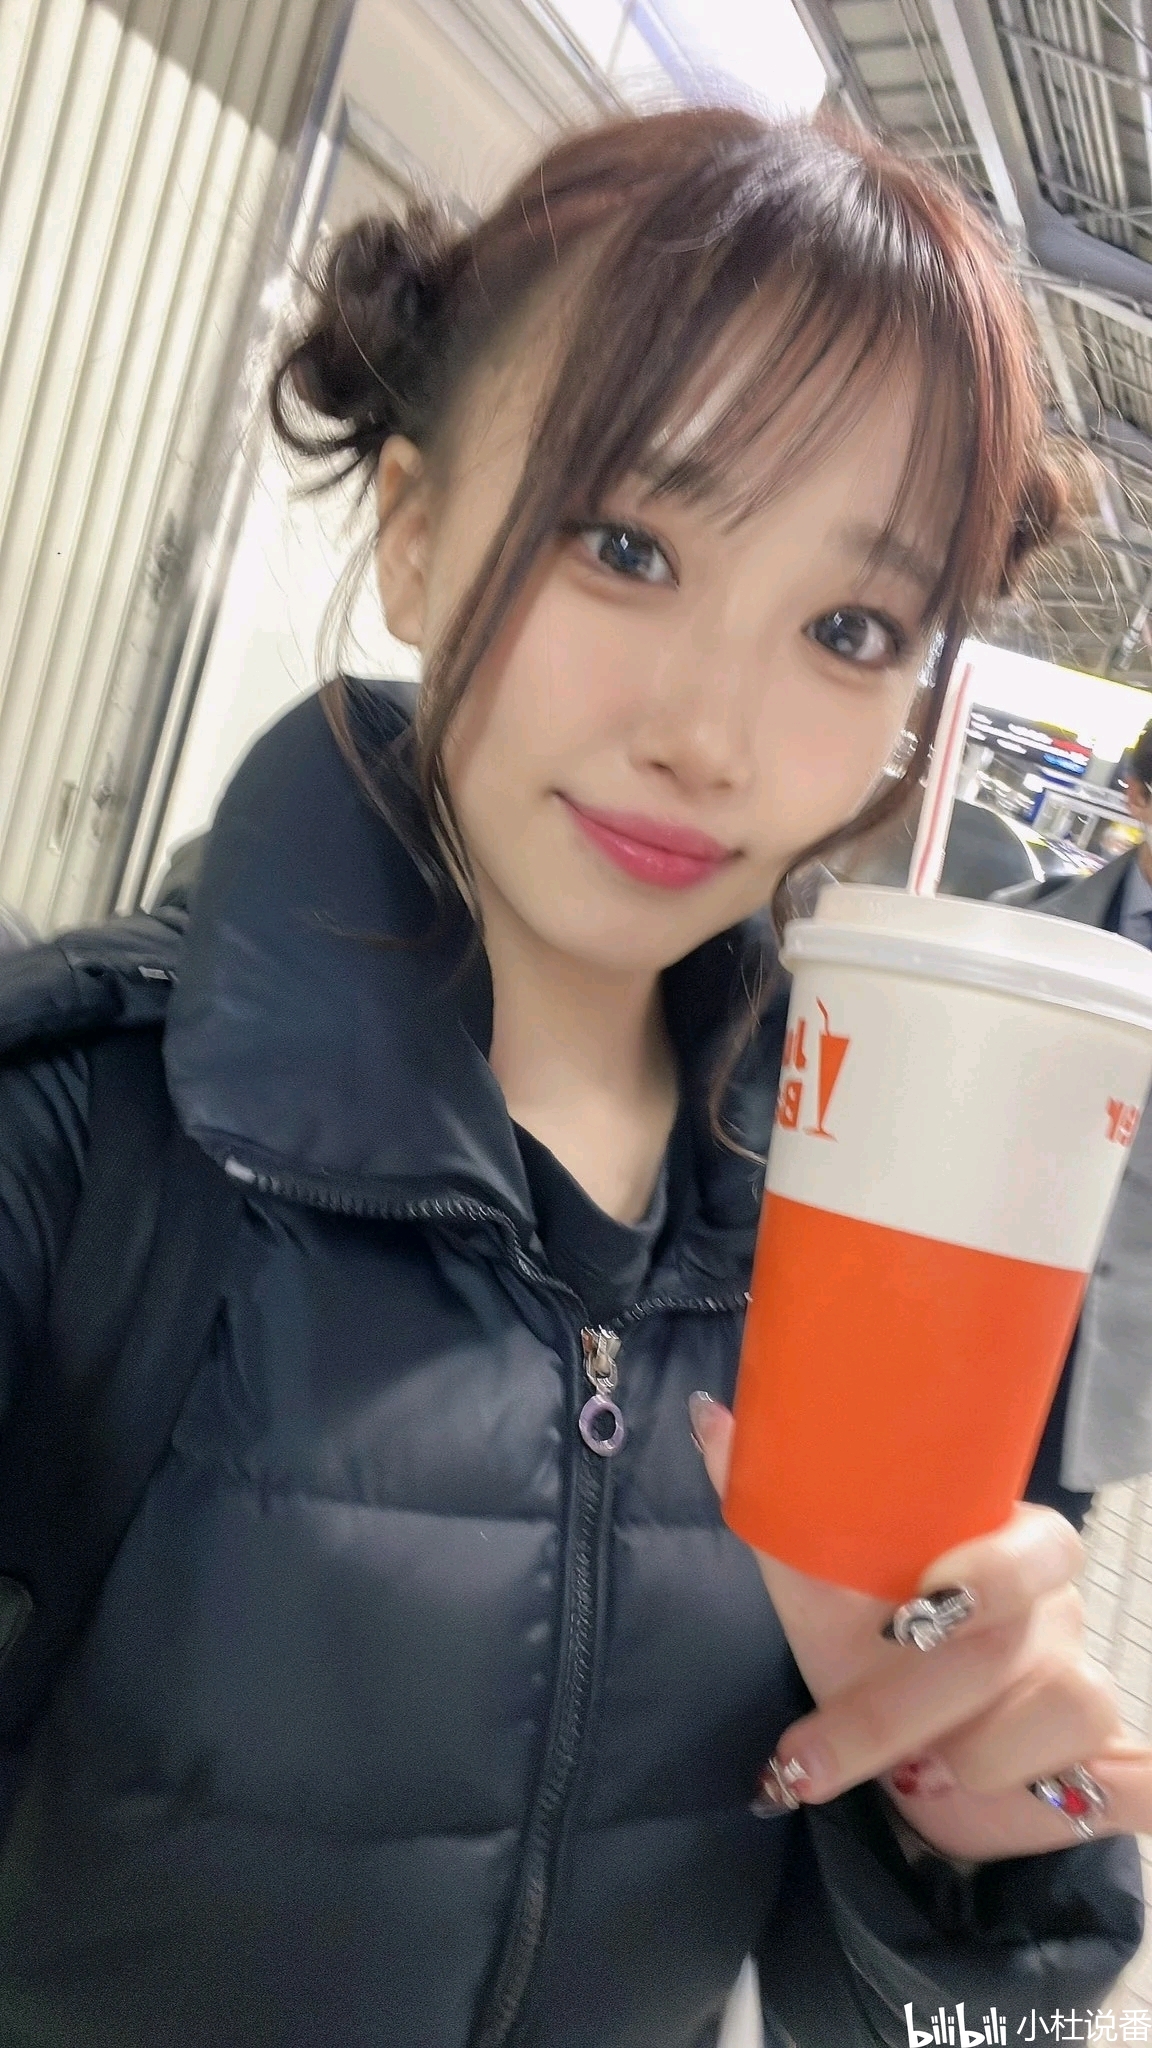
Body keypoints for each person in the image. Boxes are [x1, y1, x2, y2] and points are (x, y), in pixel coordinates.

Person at [0, 109, 1147, 2048]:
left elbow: (905, 2030)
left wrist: (968, 1865)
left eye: (847, 628)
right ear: (416, 530)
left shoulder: (869, 1246)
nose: (710, 732)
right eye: (627, 545)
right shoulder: (76, 1146)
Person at [996, 720, 1152, 1531]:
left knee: (1041, 1528)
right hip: (982, 1286)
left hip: (1110, 1337)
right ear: (1139, 797)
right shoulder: (1023, 928)